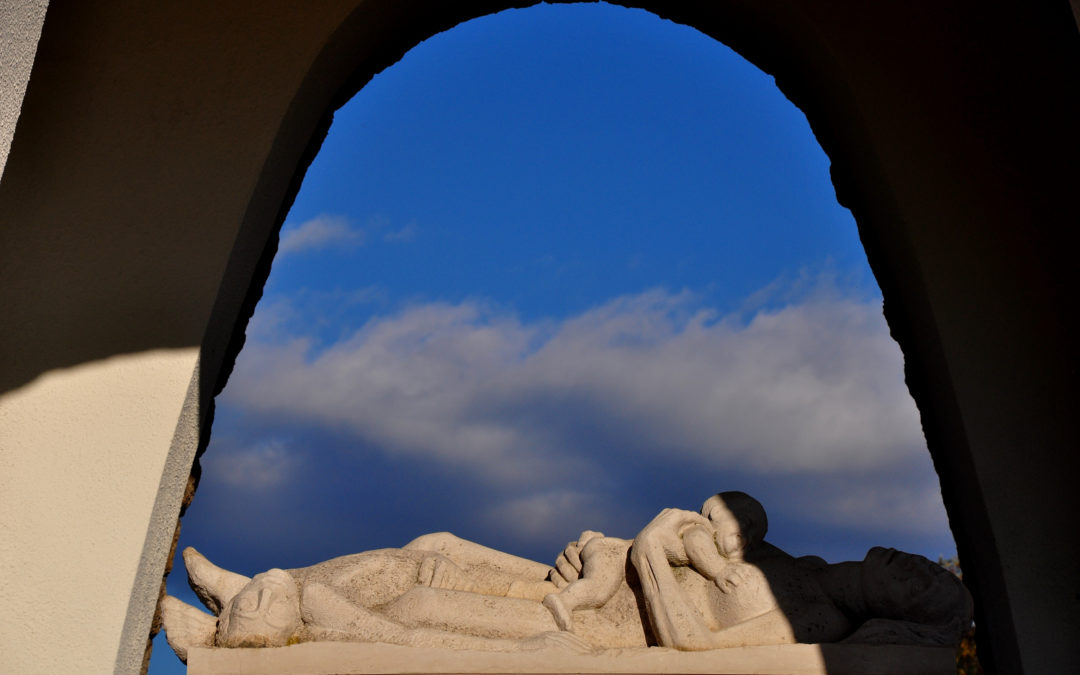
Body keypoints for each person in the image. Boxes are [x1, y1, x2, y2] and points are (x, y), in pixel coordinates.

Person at [541, 491, 766, 631]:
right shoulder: (700, 529)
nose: (744, 539)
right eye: (741, 525)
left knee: (599, 588)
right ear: (715, 515)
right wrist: (719, 570)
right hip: (613, 555)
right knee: (599, 589)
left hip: (616, 553)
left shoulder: (717, 538)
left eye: (752, 539)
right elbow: (696, 547)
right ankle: (563, 602)